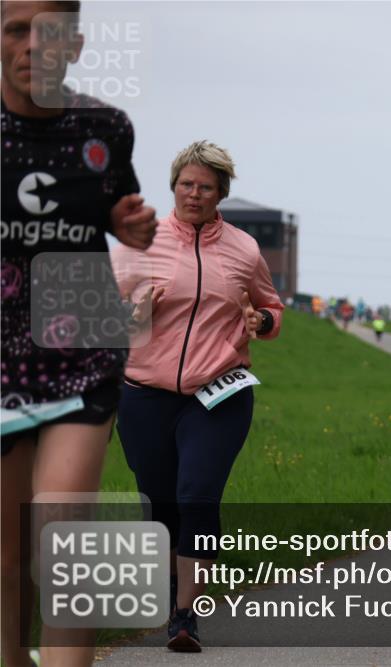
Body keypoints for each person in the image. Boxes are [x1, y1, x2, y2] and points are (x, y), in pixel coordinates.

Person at [1, 3, 157, 665]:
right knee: (6, 557)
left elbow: (120, 208)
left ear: (78, 43)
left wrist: (130, 226)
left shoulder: (106, 127)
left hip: (78, 341)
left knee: (64, 540)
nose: (35, 45)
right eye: (15, 29)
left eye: (52, 32)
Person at [112, 141, 283, 652]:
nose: (194, 193)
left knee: (199, 494)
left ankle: (186, 615)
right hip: (144, 394)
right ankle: (172, 584)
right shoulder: (137, 246)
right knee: (161, 501)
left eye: (205, 186)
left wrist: (263, 320)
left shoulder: (244, 249)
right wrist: (134, 315)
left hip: (219, 392)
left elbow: (271, 309)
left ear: (221, 193)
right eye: (187, 184)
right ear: (173, 187)